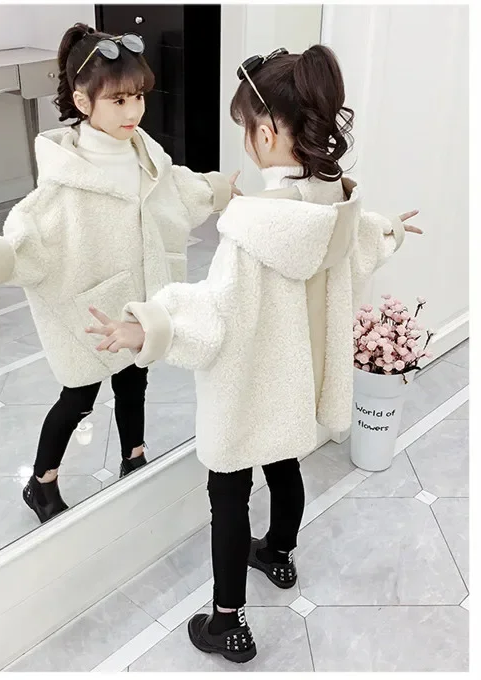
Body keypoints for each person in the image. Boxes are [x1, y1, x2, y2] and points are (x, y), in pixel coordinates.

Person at [87, 45, 423, 663]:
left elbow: (216, 314)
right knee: (285, 464)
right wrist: (390, 229)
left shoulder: (253, 226)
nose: (246, 139)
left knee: (228, 494)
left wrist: (150, 326)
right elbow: (356, 249)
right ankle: (280, 556)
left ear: (266, 133)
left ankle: (228, 623)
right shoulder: (334, 202)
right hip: (297, 378)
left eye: (245, 127)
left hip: (250, 385)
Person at [0, 23, 239, 524]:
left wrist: (218, 190)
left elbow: (176, 191)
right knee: (78, 398)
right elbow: (33, 229)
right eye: (118, 100)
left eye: (138, 96)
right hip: (92, 308)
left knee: (135, 382)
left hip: (139, 299)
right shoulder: (68, 175)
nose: (133, 110)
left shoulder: (145, 154)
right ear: (83, 101)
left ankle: (133, 455)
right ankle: (41, 481)